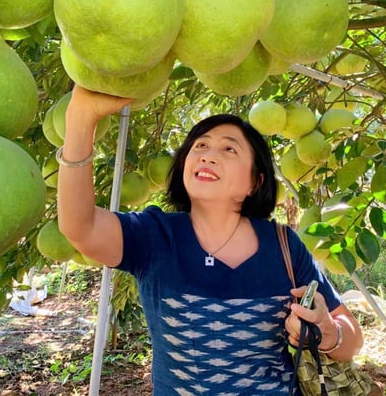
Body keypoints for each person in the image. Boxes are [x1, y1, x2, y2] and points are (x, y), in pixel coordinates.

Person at [57, 85, 364, 395]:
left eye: (229, 149)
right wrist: (81, 120)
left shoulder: (282, 244)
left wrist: (327, 331)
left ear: (254, 181)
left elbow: (351, 339)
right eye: (200, 146)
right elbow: (80, 226)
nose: (208, 155)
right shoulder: (156, 236)